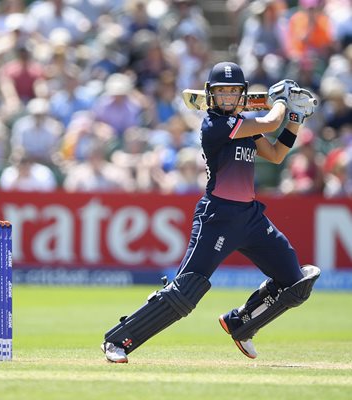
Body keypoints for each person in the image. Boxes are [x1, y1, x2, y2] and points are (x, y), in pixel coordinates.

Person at [101, 62, 321, 363]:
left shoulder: (244, 124)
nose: (228, 97)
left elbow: (276, 153)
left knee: (294, 282)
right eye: (222, 92)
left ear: (242, 94)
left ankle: (241, 322)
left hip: (250, 217)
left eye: (233, 91)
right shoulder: (215, 126)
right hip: (218, 217)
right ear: (211, 96)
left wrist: (295, 118)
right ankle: (118, 340)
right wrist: (283, 103)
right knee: (185, 291)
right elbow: (271, 123)